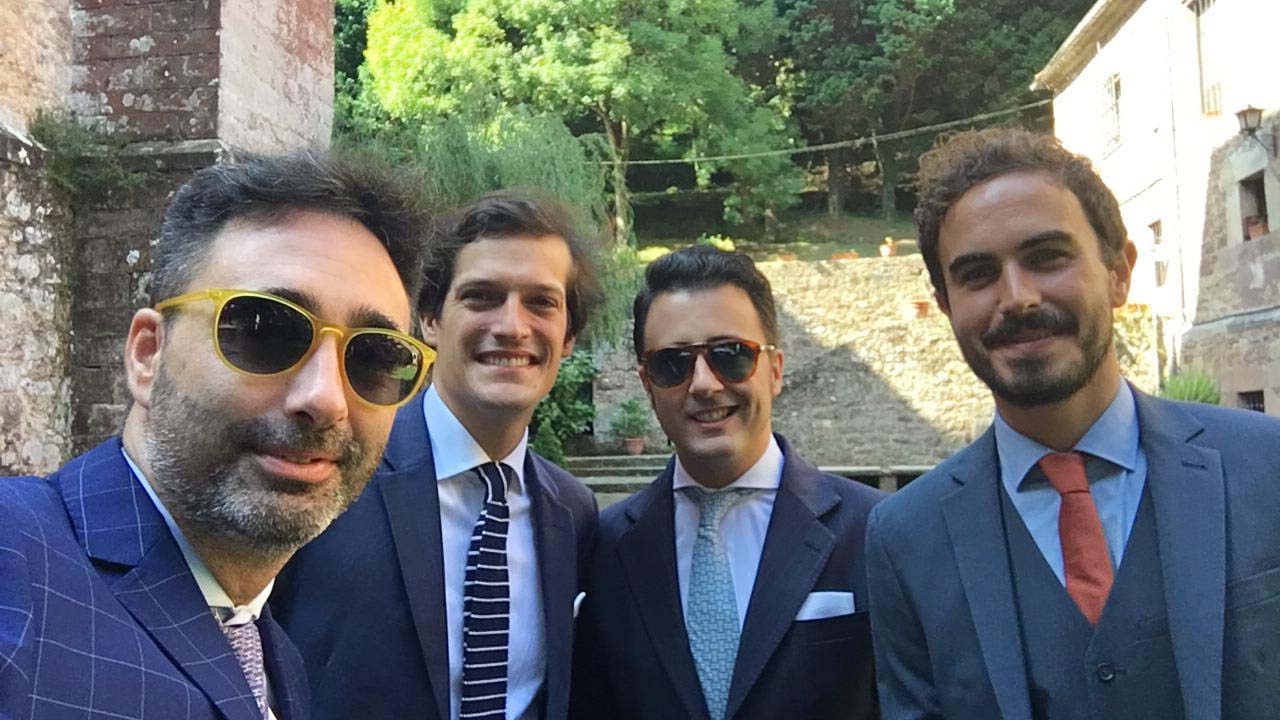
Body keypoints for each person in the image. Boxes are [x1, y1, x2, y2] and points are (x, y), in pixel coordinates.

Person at [0, 151, 435, 720]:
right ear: (147, 355)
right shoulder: (15, 563)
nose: (325, 398)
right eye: (263, 329)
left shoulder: (276, 657)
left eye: (376, 356)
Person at [865, 127, 1280, 719]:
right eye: (978, 274)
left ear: (1119, 272)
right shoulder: (905, 539)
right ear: (947, 305)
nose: (1018, 297)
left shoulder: (1268, 468)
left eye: (1047, 257)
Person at [272, 191, 601, 720]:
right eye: (482, 296)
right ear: (429, 318)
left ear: (567, 339)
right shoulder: (331, 468)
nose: (513, 326)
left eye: (541, 302)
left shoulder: (574, 513)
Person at [571, 246, 886, 720]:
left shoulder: (874, 531)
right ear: (648, 386)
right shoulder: (606, 547)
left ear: (774, 369)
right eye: (673, 363)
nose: (703, 383)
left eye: (730, 356)